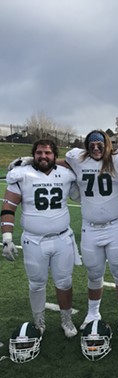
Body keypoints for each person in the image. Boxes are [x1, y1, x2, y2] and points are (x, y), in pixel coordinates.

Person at [1, 139, 81, 338]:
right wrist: (7, 238)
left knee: (64, 282)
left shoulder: (65, 175)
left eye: (47, 153)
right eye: (38, 153)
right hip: (34, 240)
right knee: (36, 283)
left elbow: (79, 190)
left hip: (62, 239)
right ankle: (39, 321)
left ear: (54, 155)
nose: (43, 156)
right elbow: (8, 208)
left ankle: (66, 319)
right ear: (33, 155)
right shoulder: (21, 175)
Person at [63, 130, 118, 333]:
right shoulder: (78, 159)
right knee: (94, 273)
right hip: (90, 227)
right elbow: (62, 163)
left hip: (116, 225)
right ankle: (93, 312)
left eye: (100, 144)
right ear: (87, 146)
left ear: (107, 144)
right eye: (92, 145)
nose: (96, 148)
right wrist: (30, 161)